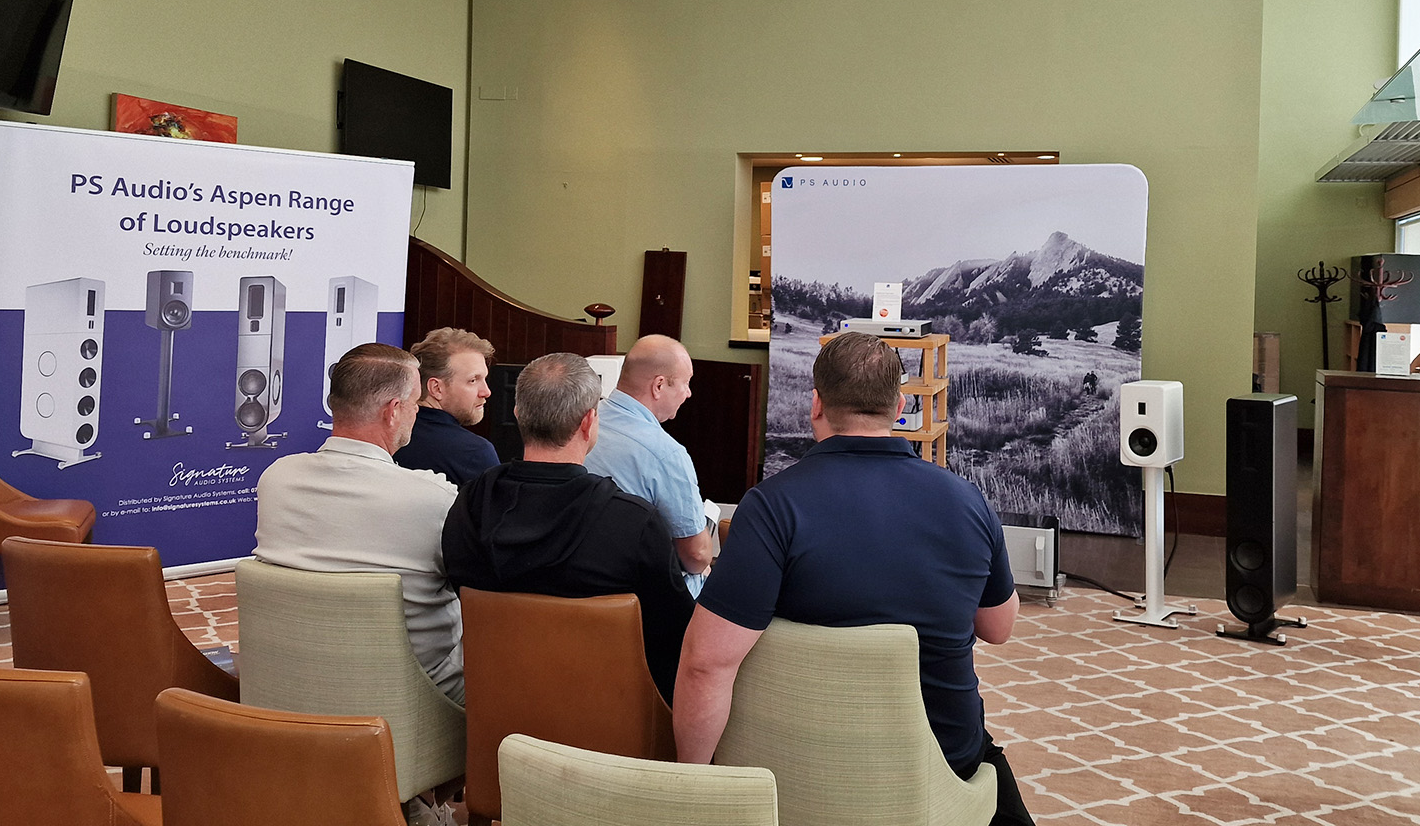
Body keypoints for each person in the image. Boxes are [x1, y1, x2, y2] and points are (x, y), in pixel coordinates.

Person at [672, 332, 1033, 826]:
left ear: (815, 404)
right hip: (938, 763)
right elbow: (998, 626)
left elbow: (705, 666)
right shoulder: (966, 501)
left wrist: (692, 789)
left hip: (792, 763)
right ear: (900, 405)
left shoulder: (771, 506)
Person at [443, 352, 695, 702]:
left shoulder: (470, 506)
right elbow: (676, 633)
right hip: (610, 713)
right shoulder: (634, 523)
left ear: (518, 415)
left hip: (498, 706)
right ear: (590, 421)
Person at [255, 343, 463, 703]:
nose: (416, 413)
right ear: (394, 412)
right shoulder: (434, 497)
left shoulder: (276, 479)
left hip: (295, 684)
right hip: (411, 696)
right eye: (416, 404)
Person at [583, 334, 714, 595]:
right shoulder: (666, 454)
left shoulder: (582, 425)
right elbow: (696, 556)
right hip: (638, 597)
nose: (688, 394)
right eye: (686, 384)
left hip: (580, 582)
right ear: (659, 386)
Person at [397, 327, 500, 487]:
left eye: (484, 379)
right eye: (473, 380)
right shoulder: (473, 452)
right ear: (436, 388)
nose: (486, 392)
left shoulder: (385, 436)